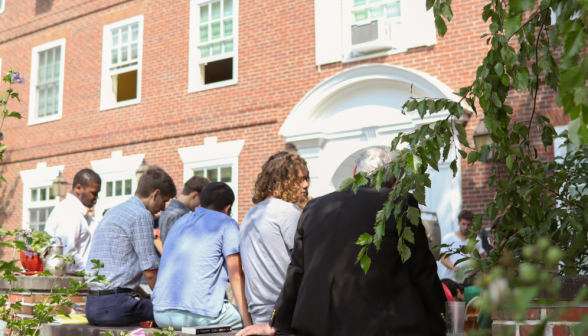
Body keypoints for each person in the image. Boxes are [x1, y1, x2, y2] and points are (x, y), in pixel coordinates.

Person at [237, 146, 446, 336]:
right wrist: (441, 320)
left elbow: (298, 270)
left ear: (355, 172)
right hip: (383, 326)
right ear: (394, 182)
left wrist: (275, 323)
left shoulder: (314, 207)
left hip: (318, 325)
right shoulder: (401, 203)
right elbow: (422, 271)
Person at [152, 182, 252, 330]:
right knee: (256, 317)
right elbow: (236, 275)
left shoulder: (181, 222)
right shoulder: (227, 223)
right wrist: (249, 324)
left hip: (160, 314)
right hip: (197, 317)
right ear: (228, 208)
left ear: (201, 202)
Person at [85, 166, 176, 327]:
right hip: (117, 307)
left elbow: (122, 280)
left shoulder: (113, 212)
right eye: (165, 201)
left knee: (149, 304)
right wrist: (168, 304)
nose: (163, 208)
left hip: (91, 306)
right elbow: (150, 274)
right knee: (178, 314)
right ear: (156, 194)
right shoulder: (141, 215)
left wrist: (147, 299)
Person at [239, 151, 309, 324]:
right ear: (279, 181)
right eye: (300, 179)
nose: (306, 184)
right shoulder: (287, 210)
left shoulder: (251, 213)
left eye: (307, 178)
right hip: (284, 318)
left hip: (260, 317)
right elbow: (308, 265)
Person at [44, 169, 101, 273]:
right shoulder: (69, 212)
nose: (97, 197)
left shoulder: (78, 213)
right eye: (93, 193)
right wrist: (92, 270)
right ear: (78, 188)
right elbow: (67, 257)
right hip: (66, 283)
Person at [159, 175, 210, 245]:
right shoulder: (180, 215)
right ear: (194, 195)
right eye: (201, 200)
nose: (201, 205)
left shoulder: (167, 209)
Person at [440, 210, 487, 283]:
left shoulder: (476, 239)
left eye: (468, 224)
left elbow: (481, 260)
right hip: (451, 280)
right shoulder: (448, 238)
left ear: (471, 224)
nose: (466, 227)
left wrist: (476, 269)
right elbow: (443, 258)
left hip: (469, 281)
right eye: (463, 224)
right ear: (458, 223)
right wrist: (454, 267)